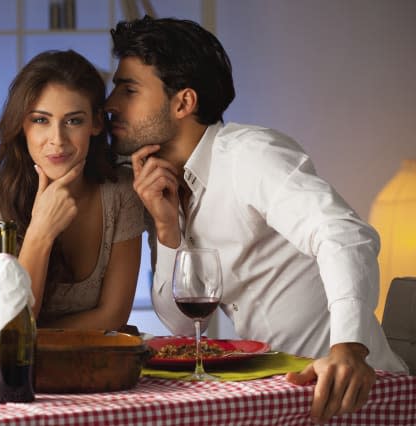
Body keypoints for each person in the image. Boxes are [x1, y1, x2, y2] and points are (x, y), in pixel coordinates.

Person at [105, 16, 407, 424]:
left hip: (356, 395)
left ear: (183, 103)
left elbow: (344, 235)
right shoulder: (162, 184)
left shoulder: (249, 155)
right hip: (279, 395)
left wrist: (349, 348)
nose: (111, 105)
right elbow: (184, 322)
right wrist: (166, 229)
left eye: (128, 90)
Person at [0, 50, 144, 331]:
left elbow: (114, 316)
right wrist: (40, 231)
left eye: (73, 121)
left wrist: (34, 336)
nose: (57, 140)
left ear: (95, 123)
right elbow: (6, 326)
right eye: (40, 120)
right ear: (22, 125)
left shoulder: (120, 192)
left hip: (94, 365)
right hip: (15, 373)